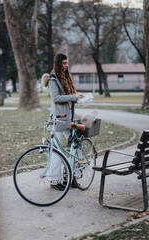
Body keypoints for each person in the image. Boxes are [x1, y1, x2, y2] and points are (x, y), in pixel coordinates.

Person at [45, 53, 84, 190]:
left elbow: (68, 97)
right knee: (57, 151)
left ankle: (71, 176)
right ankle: (54, 181)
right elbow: (56, 98)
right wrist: (73, 96)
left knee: (77, 146)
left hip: (69, 120)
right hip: (58, 120)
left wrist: (78, 98)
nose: (67, 66)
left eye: (67, 63)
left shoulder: (66, 78)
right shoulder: (53, 80)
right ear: (58, 63)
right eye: (64, 63)